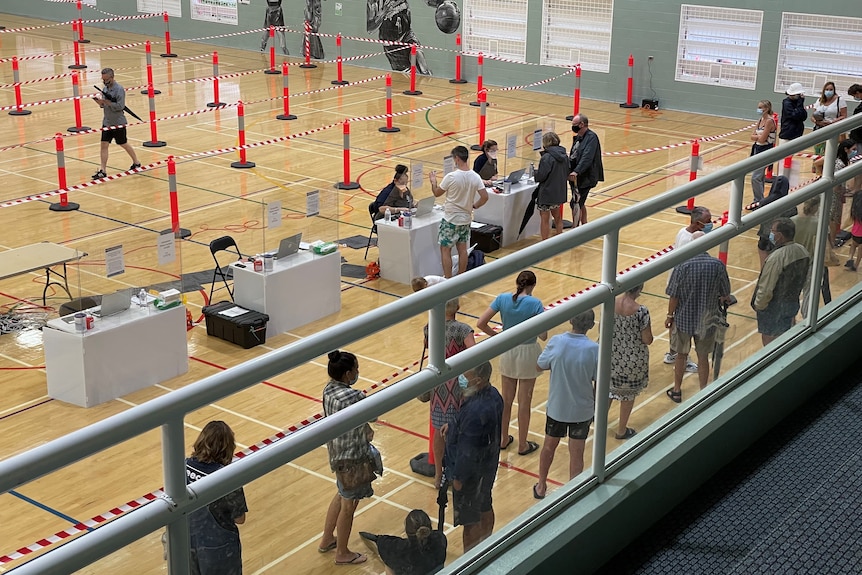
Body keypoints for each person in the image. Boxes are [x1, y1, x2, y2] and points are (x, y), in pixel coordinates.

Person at [476, 271, 546, 455]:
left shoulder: (502, 298)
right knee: (525, 402)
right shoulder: (535, 304)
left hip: (508, 350)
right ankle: (523, 444)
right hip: (528, 353)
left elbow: (481, 323)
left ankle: (502, 438)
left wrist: (498, 337)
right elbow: (544, 335)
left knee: (506, 401)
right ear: (532, 286)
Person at [533, 309, 598, 499]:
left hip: (557, 408)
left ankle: (541, 485)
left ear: (571, 320)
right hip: (582, 411)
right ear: (592, 326)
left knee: (548, 447)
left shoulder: (556, 342)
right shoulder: (594, 349)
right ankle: (573, 492)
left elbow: (539, 365)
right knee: (577, 453)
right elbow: (599, 380)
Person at [319, 350, 375, 566]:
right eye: (356, 369)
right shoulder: (354, 396)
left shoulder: (328, 390)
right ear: (347, 374)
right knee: (349, 505)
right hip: (353, 460)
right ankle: (342, 552)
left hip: (336, 455)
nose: (358, 372)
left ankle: (327, 539)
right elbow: (374, 414)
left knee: (342, 495)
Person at [441, 361, 503, 552]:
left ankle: (472, 559)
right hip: (488, 464)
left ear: (478, 380)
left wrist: (459, 478)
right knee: (485, 504)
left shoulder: (475, 411)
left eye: (465, 377)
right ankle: (486, 546)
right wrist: (454, 426)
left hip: (471, 474)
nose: (461, 380)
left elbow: (468, 451)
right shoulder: (494, 396)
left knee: (470, 520)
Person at [665, 236, 732, 403]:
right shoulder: (717, 265)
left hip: (684, 318)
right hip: (708, 320)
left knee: (681, 355)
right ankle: (703, 392)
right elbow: (725, 293)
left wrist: (669, 315)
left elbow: (674, 295)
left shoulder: (682, 265)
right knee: (703, 357)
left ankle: (677, 390)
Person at [422, 297, 476, 487]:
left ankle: (438, 474)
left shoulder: (430, 327)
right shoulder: (463, 329)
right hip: (458, 385)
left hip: (438, 383)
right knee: (458, 429)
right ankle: (457, 475)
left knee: (438, 429)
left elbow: (427, 345)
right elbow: (473, 352)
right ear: (458, 308)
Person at [185, 421, 248, 575]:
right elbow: (240, 518)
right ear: (228, 447)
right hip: (218, 548)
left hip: (188, 541)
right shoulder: (227, 477)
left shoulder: (183, 466)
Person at [664, 206, 712, 372]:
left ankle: (672, 353)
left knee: (676, 322)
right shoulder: (689, 240)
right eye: (707, 221)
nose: (710, 224)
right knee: (678, 324)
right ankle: (680, 357)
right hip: (681, 286)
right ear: (698, 223)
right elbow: (685, 267)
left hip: (677, 282)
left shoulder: (683, 231)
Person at [429, 146, 489, 278]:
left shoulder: (451, 176)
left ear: (456, 158)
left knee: (445, 250)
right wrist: (475, 205)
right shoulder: (475, 177)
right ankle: (461, 278)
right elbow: (485, 197)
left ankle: (448, 280)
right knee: (463, 250)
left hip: (451, 219)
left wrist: (433, 182)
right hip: (466, 219)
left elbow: (437, 193)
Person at [752, 218, 810, 346]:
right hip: (792, 303)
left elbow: (766, 287)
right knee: (786, 338)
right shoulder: (803, 251)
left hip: (773, 308)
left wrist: (759, 305)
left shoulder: (776, 258)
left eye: (773, 231)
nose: (770, 234)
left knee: (770, 344)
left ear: (779, 235)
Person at [610, 285, 653, 440]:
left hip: (612, 356)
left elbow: (603, 328)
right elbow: (647, 339)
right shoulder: (641, 311)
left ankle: (597, 420)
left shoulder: (611, 302)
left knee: (608, 390)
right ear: (640, 289)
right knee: (627, 395)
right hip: (633, 360)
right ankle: (621, 430)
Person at [359, 509, 447, 575]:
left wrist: (381, 540)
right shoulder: (440, 539)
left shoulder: (399, 549)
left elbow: (385, 544)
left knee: (389, 561)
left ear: (407, 530)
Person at [92, 68, 140, 180]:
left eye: (106, 79)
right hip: (107, 122)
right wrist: (100, 103)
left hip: (118, 122)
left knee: (123, 143)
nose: (104, 82)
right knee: (104, 144)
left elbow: (120, 106)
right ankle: (102, 170)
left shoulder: (119, 90)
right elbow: (103, 105)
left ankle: (136, 162)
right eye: (103, 80)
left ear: (112, 77)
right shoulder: (105, 89)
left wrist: (108, 103)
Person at [793, 196, 831, 318]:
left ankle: (791, 321)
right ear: (816, 207)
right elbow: (828, 243)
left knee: (792, 294)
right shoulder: (819, 223)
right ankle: (807, 321)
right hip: (810, 264)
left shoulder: (792, 221)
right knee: (809, 294)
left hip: (794, 264)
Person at [814, 140, 856, 244]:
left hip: (835, 195)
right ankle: (831, 243)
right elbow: (836, 186)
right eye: (853, 149)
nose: (855, 152)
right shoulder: (839, 164)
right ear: (846, 149)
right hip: (833, 197)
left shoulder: (840, 161)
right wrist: (843, 192)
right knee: (832, 221)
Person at [568, 113, 604, 227]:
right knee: (579, 201)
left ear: (582, 124)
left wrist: (576, 171)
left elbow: (587, 158)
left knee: (576, 203)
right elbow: (574, 154)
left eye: (574, 124)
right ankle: (584, 224)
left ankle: (576, 229)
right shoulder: (579, 137)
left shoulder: (591, 138)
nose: (573, 126)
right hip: (576, 177)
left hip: (586, 176)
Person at [534, 131, 568, 240]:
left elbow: (541, 176)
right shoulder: (564, 155)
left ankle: (545, 243)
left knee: (544, 219)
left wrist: (535, 173)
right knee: (557, 217)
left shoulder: (547, 158)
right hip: (559, 191)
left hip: (547, 193)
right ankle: (559, 239)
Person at [749, 100, 777, 204]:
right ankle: (760, 199)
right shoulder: (760, 119)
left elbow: (763, 139)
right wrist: (758, 137)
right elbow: (752, 136)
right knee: (759, 177)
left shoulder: (770, 121)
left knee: (755, 178)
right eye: (758, 107)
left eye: (761, 107)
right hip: (757, 149)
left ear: (767, 109)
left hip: (766, 150)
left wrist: (757, 137)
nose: (759, 109)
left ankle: (758, 200)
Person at [811, 81, 847, 159]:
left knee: (829, 154)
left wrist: (832, 122)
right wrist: (817, 122)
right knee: (818, 153)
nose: (829, 91)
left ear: (834, 90)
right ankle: (817, 168)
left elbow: (844, 116)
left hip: (833, 130)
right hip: (819, 129)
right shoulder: (819, 100)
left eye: (831, 89)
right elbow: (813, 116)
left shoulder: (840, 100)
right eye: (827, 89)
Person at [847, 192, 862, 272]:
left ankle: (850, 257)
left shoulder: (855, 212)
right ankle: (856, 265)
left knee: (853, 245)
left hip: (855, 233)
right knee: (860, 250)